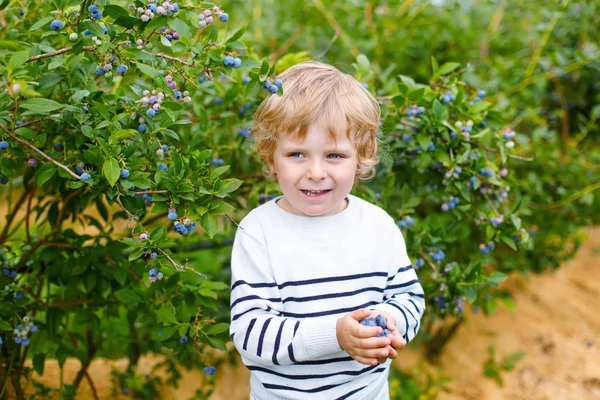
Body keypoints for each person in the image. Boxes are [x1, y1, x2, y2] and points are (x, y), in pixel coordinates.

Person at [229, 61, 425, 400]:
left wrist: (389, 320)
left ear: (361, 156)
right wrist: (334, 336)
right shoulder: (259, 232)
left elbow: (409, 298)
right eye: (297, 154)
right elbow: (250, 333)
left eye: (334, 155)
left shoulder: (378, 226)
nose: (316, 172)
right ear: (270, 155)